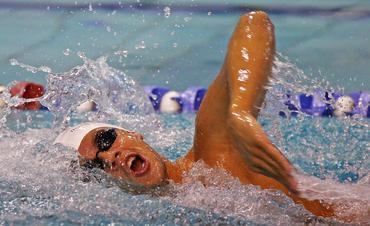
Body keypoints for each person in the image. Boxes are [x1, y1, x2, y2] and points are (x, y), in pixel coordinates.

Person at [55, 11, 359, 222]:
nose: (110, 157)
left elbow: (254, 24)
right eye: (96, 166)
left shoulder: (214, 153)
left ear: (134, 135)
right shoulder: (177, 209)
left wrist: (239, 112)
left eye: (105, 139)